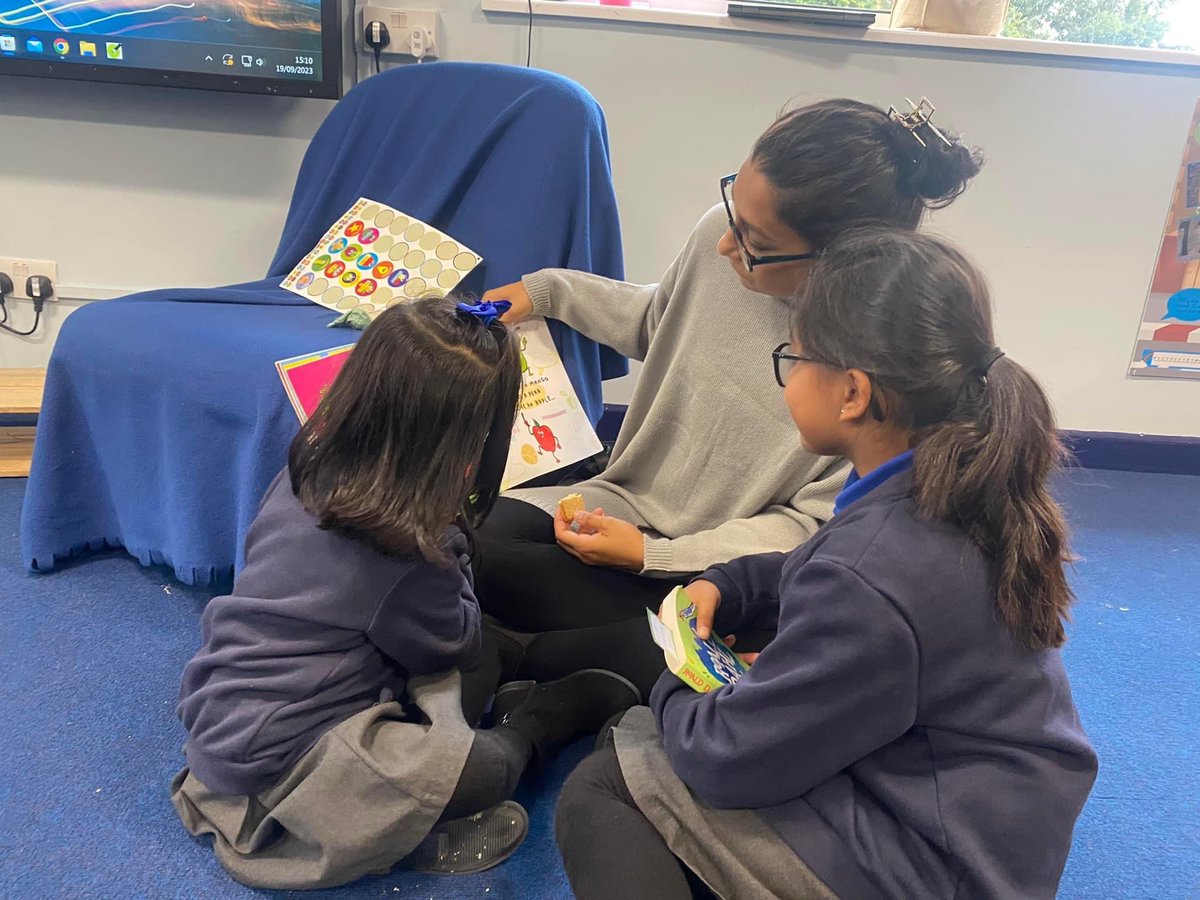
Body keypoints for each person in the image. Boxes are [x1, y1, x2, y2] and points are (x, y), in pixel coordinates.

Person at [555, 230, 1098, 900]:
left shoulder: (875, 570)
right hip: (977, 812)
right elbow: (819, 569)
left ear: (853, 393)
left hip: (935, 864)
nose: (787, 377)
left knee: (608, 784)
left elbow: (727, 760)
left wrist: (679, 672)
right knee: (643, 741)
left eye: (794, 358)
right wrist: (727, 582)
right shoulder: (950, 482)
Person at [476, 97, 984, 696]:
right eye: (731, 207)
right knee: (472, 543)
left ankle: (577, 657)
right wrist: (547, 292)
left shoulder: (877, 370)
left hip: (727, 571)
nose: (725, 244)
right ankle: (589, 659)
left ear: (836, 264)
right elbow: (660, 319)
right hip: (625, 505)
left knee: (752, 634)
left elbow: (812, 534)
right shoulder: (722, 240)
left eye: (752, 238)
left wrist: (654, 555)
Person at [169, 297, 639, 890]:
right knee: (484, 763)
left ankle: (466, 733)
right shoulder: (409, 546)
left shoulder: (305, 472)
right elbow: (452, 643)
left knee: (476, 655)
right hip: (300, 761)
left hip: (222, 716)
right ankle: (533, 724)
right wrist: (456, 542)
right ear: (463, 448)